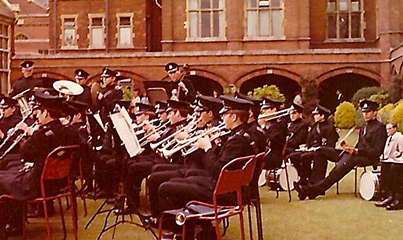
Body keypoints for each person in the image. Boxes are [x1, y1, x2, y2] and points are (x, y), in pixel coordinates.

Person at [154, 96, 255, 239]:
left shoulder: (237, 141)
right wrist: (215, 146)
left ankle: (180, 232)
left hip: (224, 194)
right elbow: (222, 164)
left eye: (225, 115)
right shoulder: (242, 135)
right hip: (228, 189)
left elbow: (216, 170)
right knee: (188, 178)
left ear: (234, 117)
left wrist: (207, 148)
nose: (222, 118)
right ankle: (199, 231)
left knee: (166, 187)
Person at [0, 91, 80, 237]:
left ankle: (9, 226)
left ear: (46, 113)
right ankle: (14, 224)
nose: (36, 116)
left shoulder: (42, 135)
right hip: (58, 183)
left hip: (38, 184)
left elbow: (24, 153)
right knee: (9, 173)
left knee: (2, 179)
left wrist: (30, 132)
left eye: (39, 112)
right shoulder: (70, 132)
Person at [294, 99, 387, 200]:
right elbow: (360, 145)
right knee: (320, 151)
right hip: (355, 154)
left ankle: (310, 190)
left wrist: (357, 151)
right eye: (364, 112)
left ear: (375, 113)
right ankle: (314, 185)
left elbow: (376, 152)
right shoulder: (364, 127)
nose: (365, 114)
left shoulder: (380, 128)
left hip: (367, 157)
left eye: (368, 112)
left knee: (338, 169)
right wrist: (348, 147)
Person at [289, 104, 338, 185]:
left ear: (322, 116)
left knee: (305, 157)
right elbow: (309, 139)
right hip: (312, 149)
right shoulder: (315, 126)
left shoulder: (329, 128)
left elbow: (330, 144)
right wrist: (306, 147)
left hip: (323, 151)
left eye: (316, 114)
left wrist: (317, 148)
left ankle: (310, 179)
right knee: (294, 155)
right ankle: (304, 177)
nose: (314, 116)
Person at [374, 122, 403, 208]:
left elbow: (401, 151)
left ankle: (397, 198)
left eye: (389, 129)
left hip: (398, 161)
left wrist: (398, 155)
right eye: (387, 129)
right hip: (390, 160)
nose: (388, 131)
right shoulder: (389, 138)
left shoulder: (400, 138)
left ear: (395, 128)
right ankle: (388, 195)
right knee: (385, 167)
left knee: (394, 168)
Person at [259, 97, 287, 169]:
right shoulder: (268, 122)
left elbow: (271, 140)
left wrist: (263, 127)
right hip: (265, 153)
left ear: (274, 110)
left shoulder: (280, 124)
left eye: (266, 109)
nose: (264, 112)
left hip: (274, 155)